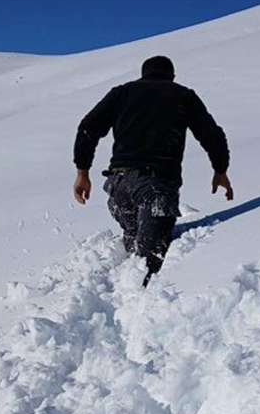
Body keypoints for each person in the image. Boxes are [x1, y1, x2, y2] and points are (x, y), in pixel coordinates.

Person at [73, 55, 232, 284]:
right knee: (149, 265)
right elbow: (211, 134)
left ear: (143, 75)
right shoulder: (182, 95)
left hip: (119, 186)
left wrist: (82, 173)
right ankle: (138, 305)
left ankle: (122, 300)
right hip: (156, 186)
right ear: (172, 76)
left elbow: (87, 129)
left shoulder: (121, 93)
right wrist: (220, 170)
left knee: (135, 246)